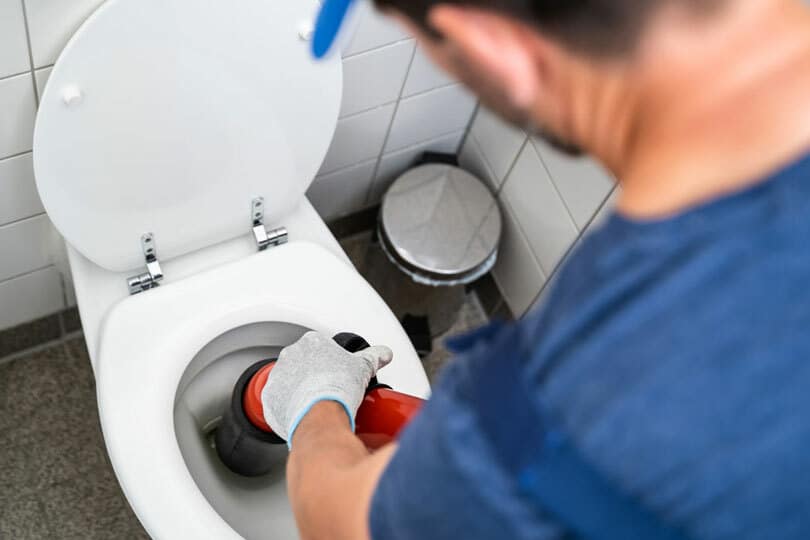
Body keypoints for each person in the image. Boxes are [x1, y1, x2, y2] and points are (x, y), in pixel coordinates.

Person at [261, 0, 810, 538]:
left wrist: (315, 406)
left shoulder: (573, 400)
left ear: (489, 44)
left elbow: (342, 522)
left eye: (448, 61)